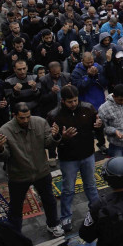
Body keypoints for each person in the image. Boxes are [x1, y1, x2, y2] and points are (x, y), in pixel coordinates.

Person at [0, 102, 63, 236]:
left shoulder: (40, 122)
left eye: (28, 117)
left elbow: (47, 143)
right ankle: (15, 233)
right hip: (19, 175)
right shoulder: (4, 131)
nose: (26, 120)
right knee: (16, 206)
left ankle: (53, 224)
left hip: (41, 171)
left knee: (49, 200)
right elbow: (3, 157)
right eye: (22, 118)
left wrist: (55, 136)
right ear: (14, 116)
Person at [47, 85, 103, 231]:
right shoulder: (54, 115)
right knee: (68, 189)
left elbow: (96, 127)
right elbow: (50, 141)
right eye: (70, 101)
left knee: (91, 185)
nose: (73, 104)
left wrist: (98, 126)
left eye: (75, 100)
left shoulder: (88, 108)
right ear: (63, 101)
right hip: (68, 158)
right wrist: (62, 137)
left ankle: (97, 212)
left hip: (88, 154)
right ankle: (65, 217)